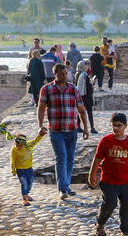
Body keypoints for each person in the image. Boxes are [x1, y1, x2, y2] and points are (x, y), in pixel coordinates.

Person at [37, 62, 89, 200]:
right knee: (61, 158)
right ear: (55, 74)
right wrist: (40, 125)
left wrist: (86, 128)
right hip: (56, 130)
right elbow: (41, 108)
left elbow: (81, 110)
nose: (65, 76)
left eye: (66, 73)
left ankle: (65, 185)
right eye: (62, 74)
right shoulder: (47, 89)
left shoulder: (73, 89)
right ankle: (62, 189)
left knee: (70, 159)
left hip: (71, 130)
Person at [10, 126, 48, 205]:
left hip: (29, 169)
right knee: (24, 183)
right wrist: (13, 170)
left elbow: (35, 141)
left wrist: (41, 135)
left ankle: (27, 194)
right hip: (20, 170)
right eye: (17, 145)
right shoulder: (14, 150)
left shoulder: (28, 146)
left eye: (21, 145)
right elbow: (12, 160)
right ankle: (24, 199)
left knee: (30, 182)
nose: (19, 147)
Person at [76, 60, 98, 134]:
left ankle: (78, 126)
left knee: (79, 112)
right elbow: (88, 87)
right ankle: (92, 127)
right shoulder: (84, 75)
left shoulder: (77, 74)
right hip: (86, 96)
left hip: (79, 96)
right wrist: (91, 84)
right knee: (89, 112)